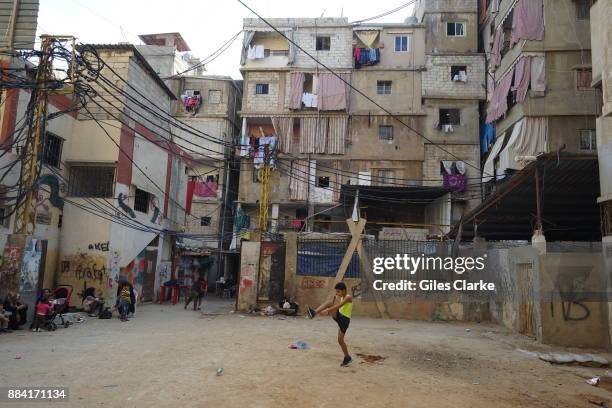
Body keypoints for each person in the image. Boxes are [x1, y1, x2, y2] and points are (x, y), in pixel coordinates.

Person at [307, 282, 353, 366]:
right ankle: (347, 357)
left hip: (344, 320)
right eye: (336, 291)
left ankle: (314, 312)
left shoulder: (348, 297)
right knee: (340, 340)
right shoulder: (342, 297)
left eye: (338, 291)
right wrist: (328, 312)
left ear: (344, 290)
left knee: (329, 303)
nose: (337, 293)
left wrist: (328, 310)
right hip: (341, 319)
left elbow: (338, 306)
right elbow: (339, 308)